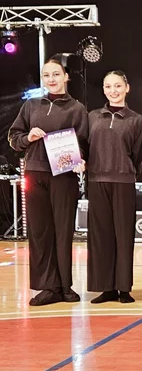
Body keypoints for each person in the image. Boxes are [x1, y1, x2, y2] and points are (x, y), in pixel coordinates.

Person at [8, 56, 88, 306]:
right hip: (35, 173)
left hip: (64, 176)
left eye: (56, 74)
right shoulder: (31, 106)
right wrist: (28, 137)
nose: (51, 79)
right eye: (46, 75)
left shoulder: (77, 109)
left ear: (66, 77)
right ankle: (47, 287)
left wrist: (81, 159)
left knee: (63, 231)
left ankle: (65, 286)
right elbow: (14, 137)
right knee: (40, 232)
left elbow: (84, 143)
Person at [86, 71, 142, 304]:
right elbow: (84, 146)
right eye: (108, 86)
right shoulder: (92, 117)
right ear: (103, 89)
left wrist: (125, 169)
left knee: (123, 235)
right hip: (97, 182)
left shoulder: (137, 120)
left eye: (118, 86)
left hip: (124, 182)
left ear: (127, 88)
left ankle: (123, 288)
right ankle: (106, 288)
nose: (113, 90)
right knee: (101, 236)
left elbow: (139, 154)